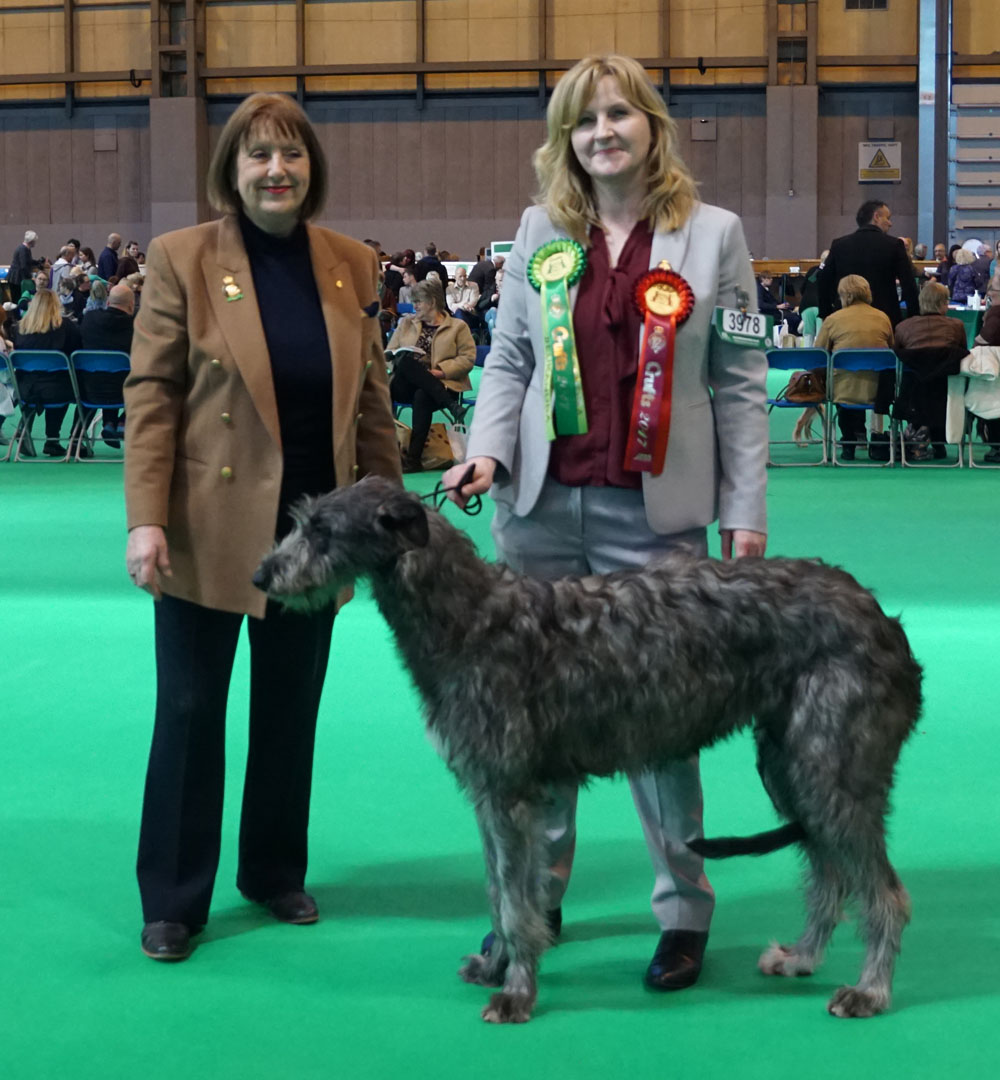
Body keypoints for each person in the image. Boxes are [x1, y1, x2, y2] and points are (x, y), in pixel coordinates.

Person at [442, 53, 767, 993]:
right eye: (585, 121)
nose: (603, 133)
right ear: (566, 140)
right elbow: (506, 362)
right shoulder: (541, 230)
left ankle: (683, 911)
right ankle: (533, 906)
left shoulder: (717, 237)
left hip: (656, 520)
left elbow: (742, 387)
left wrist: (743, 512)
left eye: (619, 114)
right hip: (538, 513)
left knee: (660, 725)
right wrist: (487, 451)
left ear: (652, 126)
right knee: (528, 724)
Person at [124, 92, 401, 964]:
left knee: (291, 709)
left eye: (291, 155)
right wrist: (144, 520)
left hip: (315, 538)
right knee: (191, 708)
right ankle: (172, 897)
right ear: (232, 171)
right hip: (207, 523)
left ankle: (274, 870)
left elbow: (372, 407)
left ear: (311, 168)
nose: (276, 171)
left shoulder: (352, 264)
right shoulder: (182, 258)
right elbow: (153, 397)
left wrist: (382, 526)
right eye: (258, 156)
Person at [386, 278, 474, 473]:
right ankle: (452, 407)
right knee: (405, 361)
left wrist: (440, 371)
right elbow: (390, 352)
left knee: (422, 395)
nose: (414, 305)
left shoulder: (458, 327)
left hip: (444, 384)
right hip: (405, 384)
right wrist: (394, 358)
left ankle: (413, 460)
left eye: (418, 301)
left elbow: (468, 359)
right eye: (413, 301)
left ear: (432, 302)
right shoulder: (406, 324)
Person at [814, 274, 893, 460]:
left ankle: (848, 441)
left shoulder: (833, 320)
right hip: (878, 391)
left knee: (843, 383)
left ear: (844, 295)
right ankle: (874, 437)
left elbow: (818, 355)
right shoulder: (883, 318)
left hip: (843, 389)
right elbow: (891, 351)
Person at [892, 280, 968, 461]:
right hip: (945, 394)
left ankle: (917, 435)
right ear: (943, 303)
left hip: (912, 395)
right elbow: (962, 352)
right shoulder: (957, 326)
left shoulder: (903, 327)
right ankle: (939, 442)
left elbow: (897, 353)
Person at [819, 200, 919, 326]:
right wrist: (913, 317)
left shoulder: (839, 245)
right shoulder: (894, 246)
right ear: (876, 217)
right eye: (888, 218)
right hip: (885, 318)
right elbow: (908, 284)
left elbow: (823, 280)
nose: (890, 223)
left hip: (845, 319)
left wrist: (827, 314)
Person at [11, 288, 83, 457]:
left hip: (25, 389)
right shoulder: (66, 326)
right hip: (58, 388)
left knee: (39, 383)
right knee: (61, 383)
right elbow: (76, 353)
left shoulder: (19, 328)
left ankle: (27, 422)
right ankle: (52, 439)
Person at [81, 282, 136, 445]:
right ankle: (122, 421)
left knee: (106, 372)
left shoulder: (89, 319)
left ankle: (110, 423)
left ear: (108, 302)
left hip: (90, 389)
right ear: (131, 306)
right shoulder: (137, 326)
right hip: (127, 392)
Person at [445, 264, 482, 330]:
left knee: (459, 312)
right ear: (455, 277)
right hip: (457, 315)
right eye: (460, 276)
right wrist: (464, 305)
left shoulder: (474, 286)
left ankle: (464, 334)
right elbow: (451, 306)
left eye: (465, 276)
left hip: (471, 314)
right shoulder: (449, 289)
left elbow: (473, 302)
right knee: (459, 312)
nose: (463, 278)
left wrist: (460, 306)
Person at [7, 230, 38, 298]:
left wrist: (38, 262)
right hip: (16, 279)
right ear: (31, 241)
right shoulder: (23, 250)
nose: (35, 243)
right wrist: (30, 277)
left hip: (15, 278)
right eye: (35, 241)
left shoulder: (25, 248)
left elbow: (29, 261)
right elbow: (23, 266)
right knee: (17, 299)